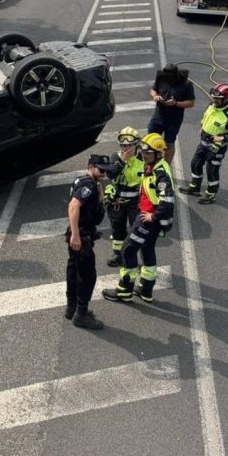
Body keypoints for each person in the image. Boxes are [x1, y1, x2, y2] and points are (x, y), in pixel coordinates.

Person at [103, 133, 175, 304]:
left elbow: (167, 202)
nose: (144, 154)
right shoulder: (153, 166)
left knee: (127, 250)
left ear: (158, 153)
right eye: (143, 151)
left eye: (148, 152)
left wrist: (153, 216)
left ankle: (124, 291)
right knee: (147, 250)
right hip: (148, 218)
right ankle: (146, 289)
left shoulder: (160, 172)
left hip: (147, 220)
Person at [65, 154, 112, 330]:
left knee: (73, 271)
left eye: (106, 171)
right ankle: (81, 315)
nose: (103, 174)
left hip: (78, 234)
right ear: (91, 166)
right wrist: (76, 235)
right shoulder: (89, 186)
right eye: (101, 170)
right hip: (81, 237)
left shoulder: (81, 180)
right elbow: (73, 206)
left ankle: (72, 308)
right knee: (87, 277)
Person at [183, 83, 228, 204]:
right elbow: (206, 117)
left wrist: (221, 139)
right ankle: (195, 187)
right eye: (213, 98)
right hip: (203, 143)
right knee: (195, 163)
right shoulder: (211, 105)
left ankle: (211, 194)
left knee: (211, 170)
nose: (215, 100)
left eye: (218, 99)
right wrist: (202, 127)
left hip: (217, 148)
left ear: (226, 99)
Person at [105, 127, 145, 267]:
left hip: (135, 201)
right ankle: (117, 254)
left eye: (129, 145)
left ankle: (134, 255)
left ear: (136, 145)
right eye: (123, 145)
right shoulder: (116, 157)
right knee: (117, 228)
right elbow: (110, 174)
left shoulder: (143, 158)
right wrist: (122, 161)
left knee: (136, 229)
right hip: (117, 200)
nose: (125, 148)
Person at [146, 63, 195, 163]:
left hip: (173, 120)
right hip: (158, 116)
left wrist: (176, 103)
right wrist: (155, 96)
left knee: (169, 143)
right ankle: (151, 164)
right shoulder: (161, 78)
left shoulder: (186, 84)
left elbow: (191, 103)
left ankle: (166, 166)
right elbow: (153, 90)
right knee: (150, 141)